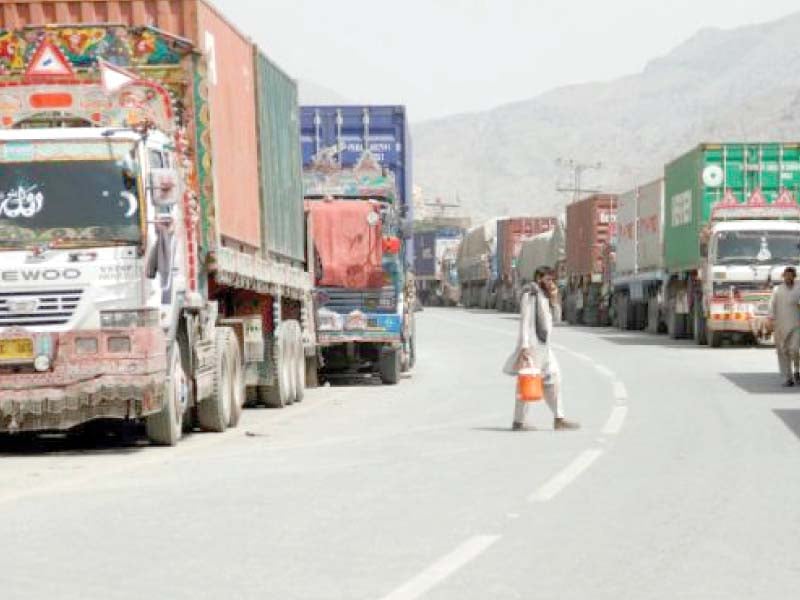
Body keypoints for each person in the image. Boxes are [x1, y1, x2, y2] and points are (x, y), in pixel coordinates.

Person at [503, 266, 580, 431]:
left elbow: (557, 319)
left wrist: (554, 298)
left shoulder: (544, 296)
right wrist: (524, 346)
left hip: (544, 346)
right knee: (528, 380)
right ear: (539, 278)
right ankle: (518, 422)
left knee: (554, 378)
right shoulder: (530, 295)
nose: (551, 283)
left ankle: (559, 418)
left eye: (552, 279)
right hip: (532, 346)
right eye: (548, 279)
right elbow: (525, 321)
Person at [768, 266, 800, 386]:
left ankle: (797, 370)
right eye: (786, 275)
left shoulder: (798, 288)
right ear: (783, 276)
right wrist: (770, 319)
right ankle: (788, 378)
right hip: (781, 325)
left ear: (794, 277)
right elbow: (771, 305)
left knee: (795, 349)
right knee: (783, 351)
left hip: (796, 325)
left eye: (790, 276)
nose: (788, 277)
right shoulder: (777, 289)